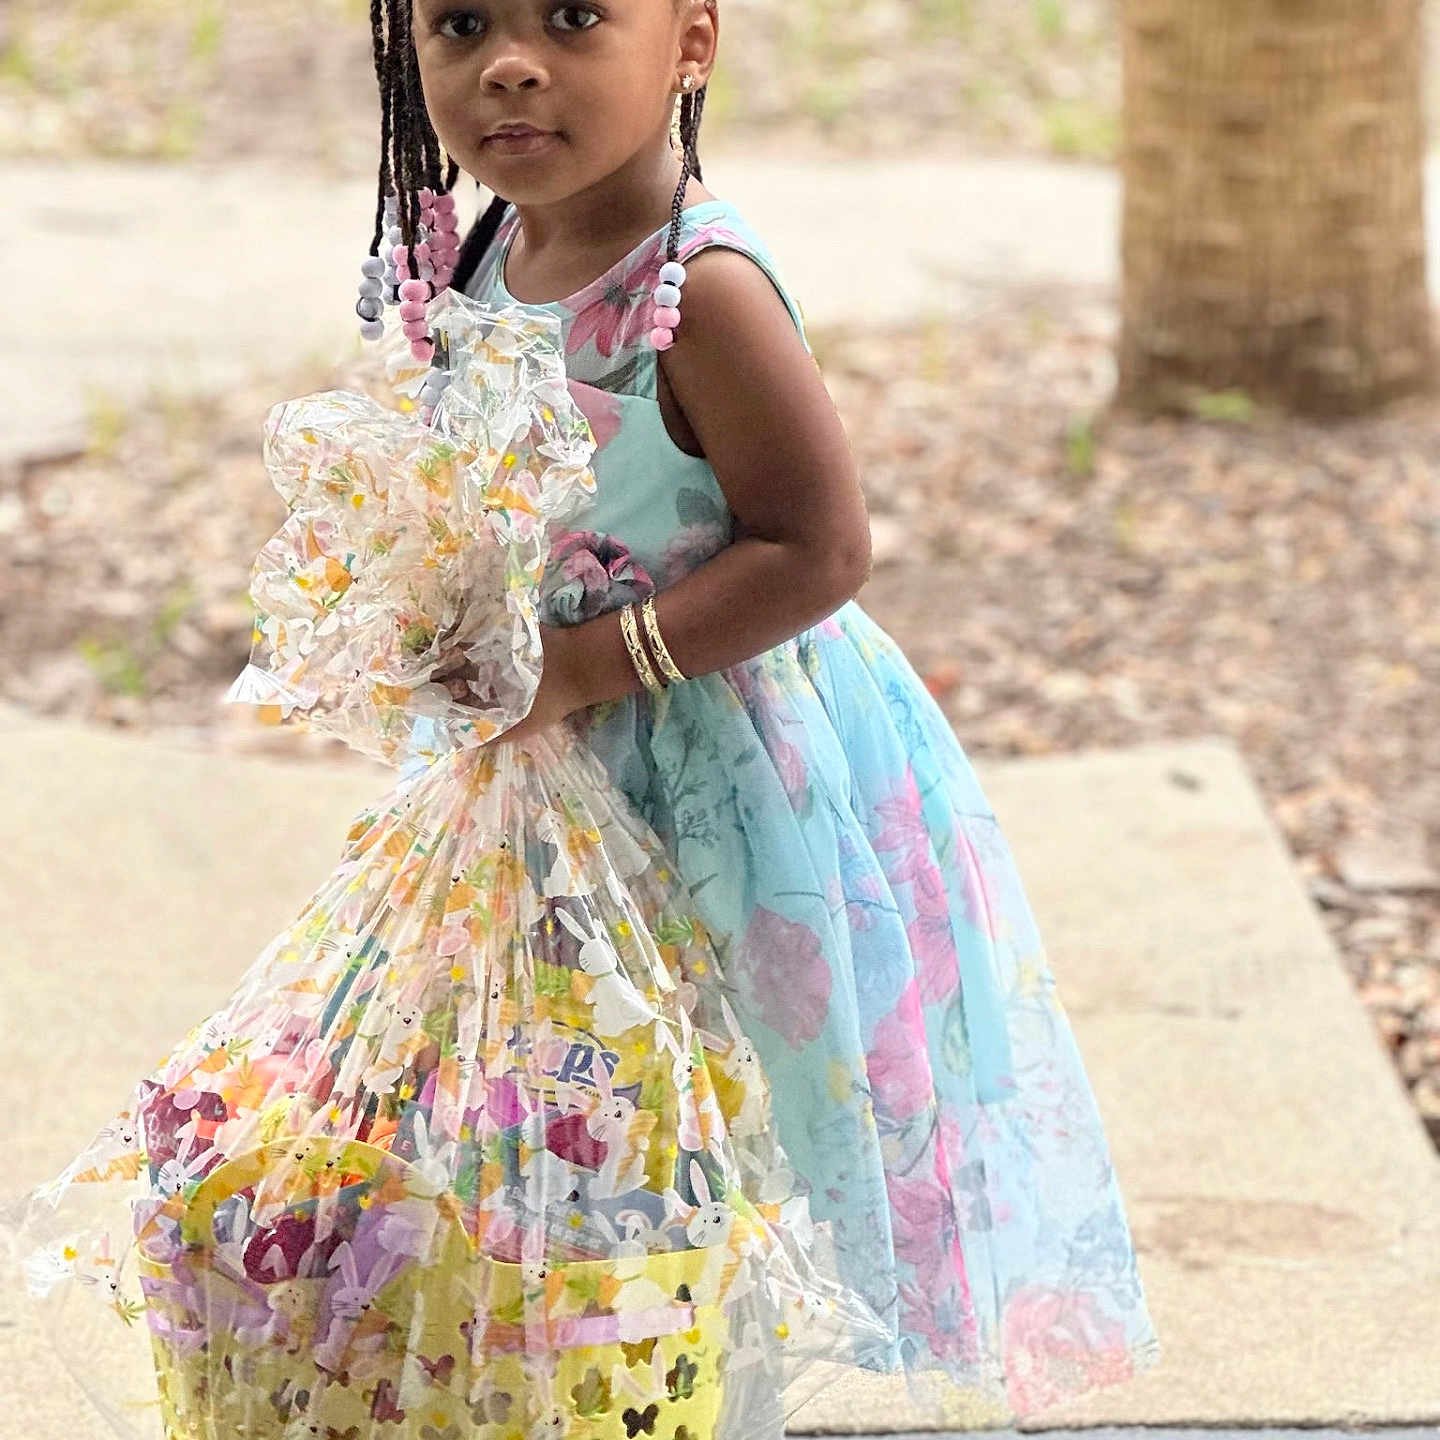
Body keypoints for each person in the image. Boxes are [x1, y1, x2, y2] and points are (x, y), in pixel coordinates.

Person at [0, 1, 1161, 1436]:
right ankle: (584, 1382)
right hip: (542, 767)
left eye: (571, 16)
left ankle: (701, 1391)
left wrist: (581, 666)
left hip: (718, 778)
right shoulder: (481, 247)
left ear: (691, 41)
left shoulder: (697, 286)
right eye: (460, 21)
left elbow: (819, 547)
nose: (507, 62)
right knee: (565, 1122)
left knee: (702, 1125)